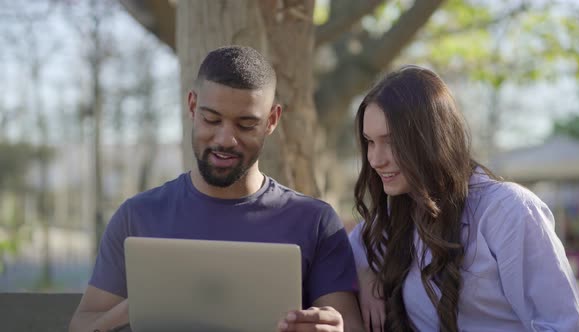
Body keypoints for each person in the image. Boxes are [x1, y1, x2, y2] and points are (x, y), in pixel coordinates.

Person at [69, 45, 364, 332]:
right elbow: (83, 325)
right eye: (212, 119)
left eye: (246, 125)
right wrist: (133, 310)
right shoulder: (138, 216)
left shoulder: (314, 221)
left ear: (272, 120)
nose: (225, 139)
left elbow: (346, 324)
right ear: (192, 106)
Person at [349, 65, 579, 331]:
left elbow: (566, 325)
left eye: (391, 141)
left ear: (430, 139)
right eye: (370, 141)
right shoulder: (395, 220)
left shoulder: (507, 210)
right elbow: (342, 250)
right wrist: (366, 275)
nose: (375, 159)